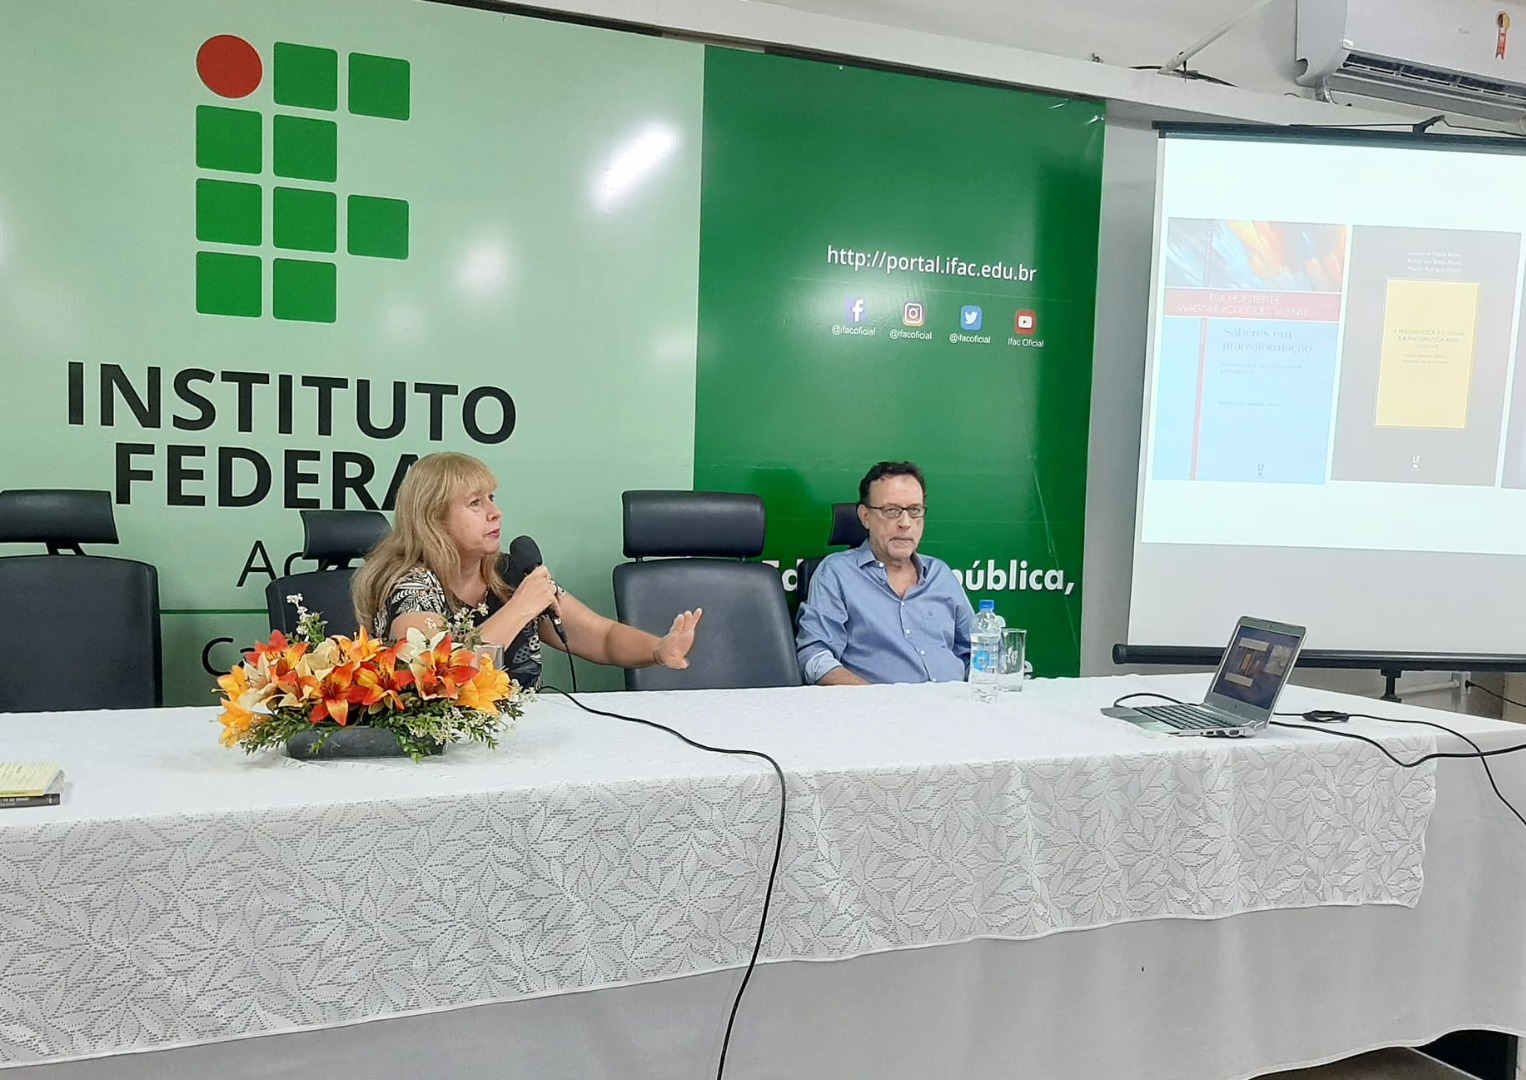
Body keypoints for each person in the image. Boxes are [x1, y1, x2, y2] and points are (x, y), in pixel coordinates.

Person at [353, 452, 701, 689]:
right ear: (433, 518)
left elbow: (602, 637)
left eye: (492, 498)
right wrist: (521, 607)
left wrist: (658, 649)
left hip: (519, 741)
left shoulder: (509, 572)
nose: (495, 513)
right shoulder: (411, 585)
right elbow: (438, 675)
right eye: (475, 503)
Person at [795, 461, 972, 685]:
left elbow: (977, 651)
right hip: (876, 705)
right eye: (891, 511)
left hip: (954, 702)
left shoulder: (940, 574)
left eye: (914, 511)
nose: (905, 523)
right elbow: (815, 657)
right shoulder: (837, 573)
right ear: (865, 516)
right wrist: (876, 699)